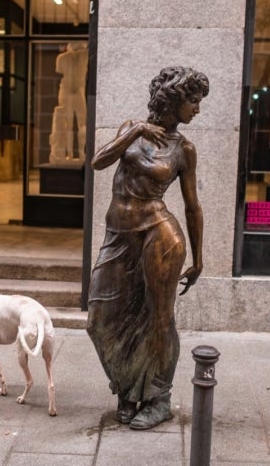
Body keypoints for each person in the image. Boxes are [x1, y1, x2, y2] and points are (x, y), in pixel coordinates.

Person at [86, 66, 208, 430]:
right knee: (100, 320)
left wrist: (199, 258)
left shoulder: (184, 148)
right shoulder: (131, 129)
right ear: (173, 100)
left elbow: (192, 206)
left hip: (160, 235)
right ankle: (127, 385)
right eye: (193, 101)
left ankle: (158, 397)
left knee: (158, 318)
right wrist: (137, 130)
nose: (197, 110)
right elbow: (98, 161)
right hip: (118, 235)